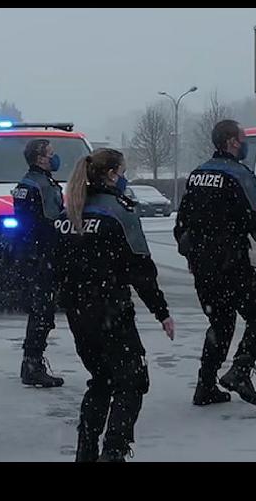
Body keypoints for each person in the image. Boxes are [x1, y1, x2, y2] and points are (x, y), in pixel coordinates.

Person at [55, 148, 175, 462]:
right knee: (133, 381)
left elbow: (50, 265)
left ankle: (86, 450)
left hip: (79, 314)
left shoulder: (67, 215)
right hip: (112, 311)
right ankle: (114, 451)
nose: (124, 178)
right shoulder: (120, 212)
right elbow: (141, 269)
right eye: (122, 172)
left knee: (101, 381)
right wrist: (161, 312)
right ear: (111, 174)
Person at [175, 119, 256, 407]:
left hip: (204, 266)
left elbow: (181, 223)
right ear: (232, 142)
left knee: (220, 324)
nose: (245, 142)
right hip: (231, 262)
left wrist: (192, 255)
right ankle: (241, 369)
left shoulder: (198, 174)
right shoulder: (239, 175)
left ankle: (205, 385)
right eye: (242, 138)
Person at [12, 139, 65, 388]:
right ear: (40, 158)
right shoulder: (38, 185)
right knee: (42, 312)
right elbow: (48, 222)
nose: (54, 158)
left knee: (41, 311)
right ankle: (32, 365)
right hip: (41, 256)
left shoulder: (31, 183)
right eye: (50, 154)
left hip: (33, 254)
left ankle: (31, 362)